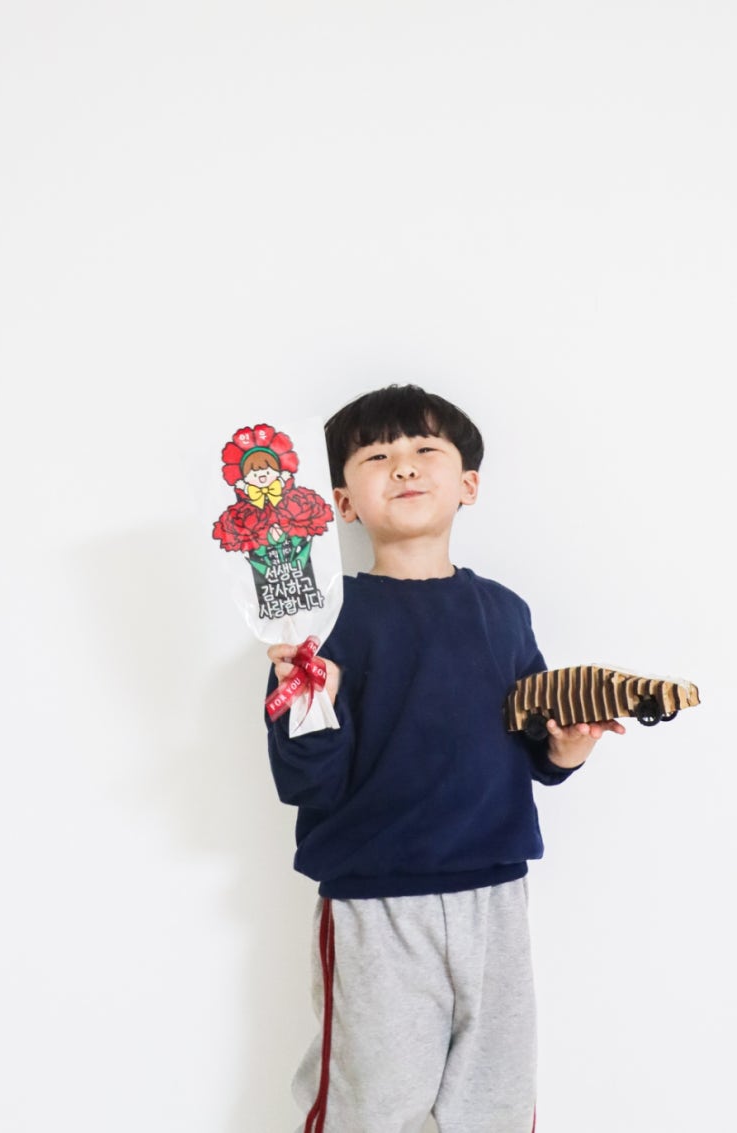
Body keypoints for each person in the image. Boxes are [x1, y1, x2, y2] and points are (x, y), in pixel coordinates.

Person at [266, 384, 624, 1133]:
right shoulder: (323, 625)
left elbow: (536, 744)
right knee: (372, 1104)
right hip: (376, 906)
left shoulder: (505, 611)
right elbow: (307, 781)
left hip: (496, 897)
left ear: (468, 483)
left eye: (425, 448)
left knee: (494, 1102)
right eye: (376, 456)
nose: (403, 465)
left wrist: (566, 749)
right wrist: (308, 696)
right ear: (342, 502)